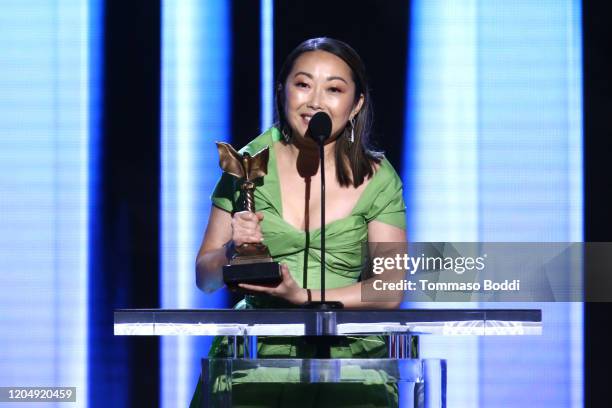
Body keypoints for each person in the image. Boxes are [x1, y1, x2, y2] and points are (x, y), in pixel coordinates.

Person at [191, 37, 406, 408]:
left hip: (350, 361)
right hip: (255, 353)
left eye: (334, 89)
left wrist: (304, 298)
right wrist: (230, 254)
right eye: (303, 84)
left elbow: (389, 288)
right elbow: (205, 278)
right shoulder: (245, 165)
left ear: (356, 105)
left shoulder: (378, 178)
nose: (315, 102)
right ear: (282, 92)